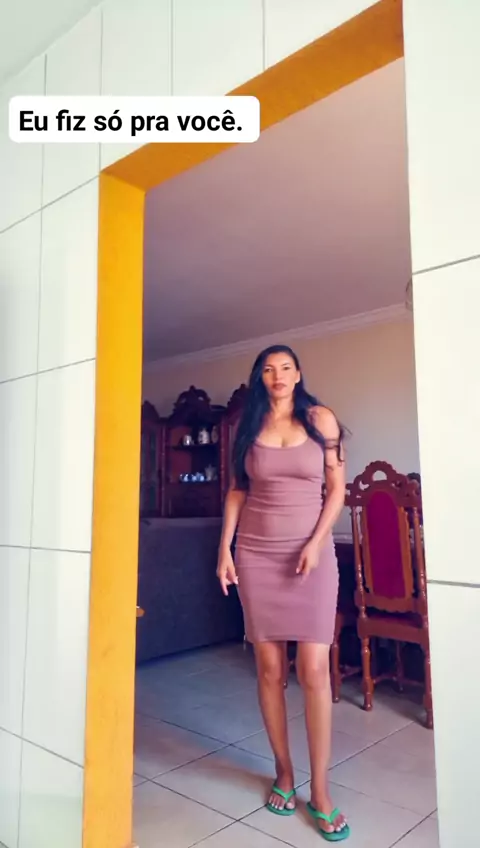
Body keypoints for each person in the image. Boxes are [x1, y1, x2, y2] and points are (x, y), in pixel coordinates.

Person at [217, 344, 350, 841]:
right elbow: (238, 490)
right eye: (269, 369)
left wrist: (316, 543)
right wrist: (225, 548)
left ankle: (321, 792)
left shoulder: (320, 420)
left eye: (286, 368)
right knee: (270, 670)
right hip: (256, 554)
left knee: (313, 669)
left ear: (298, 375)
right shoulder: (247, 426)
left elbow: (336, 489)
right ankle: (284, 772)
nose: (278, 375)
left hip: (311, 556)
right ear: (260, 378)